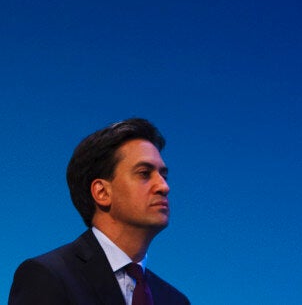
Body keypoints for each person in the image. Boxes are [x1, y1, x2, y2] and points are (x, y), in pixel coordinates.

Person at [9, 118, 190, 305]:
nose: (163, 186)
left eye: (164, 175)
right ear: (102, 192)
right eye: (144, 173)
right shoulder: (47, 277)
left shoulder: (175, 300)